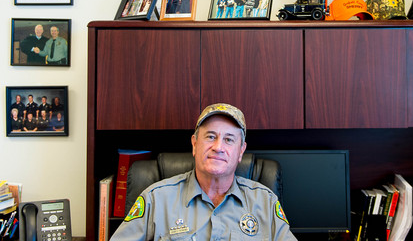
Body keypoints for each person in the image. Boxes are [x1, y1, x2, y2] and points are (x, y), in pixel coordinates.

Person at [110, 103, 297, 241]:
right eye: (210, 136)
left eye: (229, 139)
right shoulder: (156, 199)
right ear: (194, 144)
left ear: (241, 151)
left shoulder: (265, 202)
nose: (218, 147)